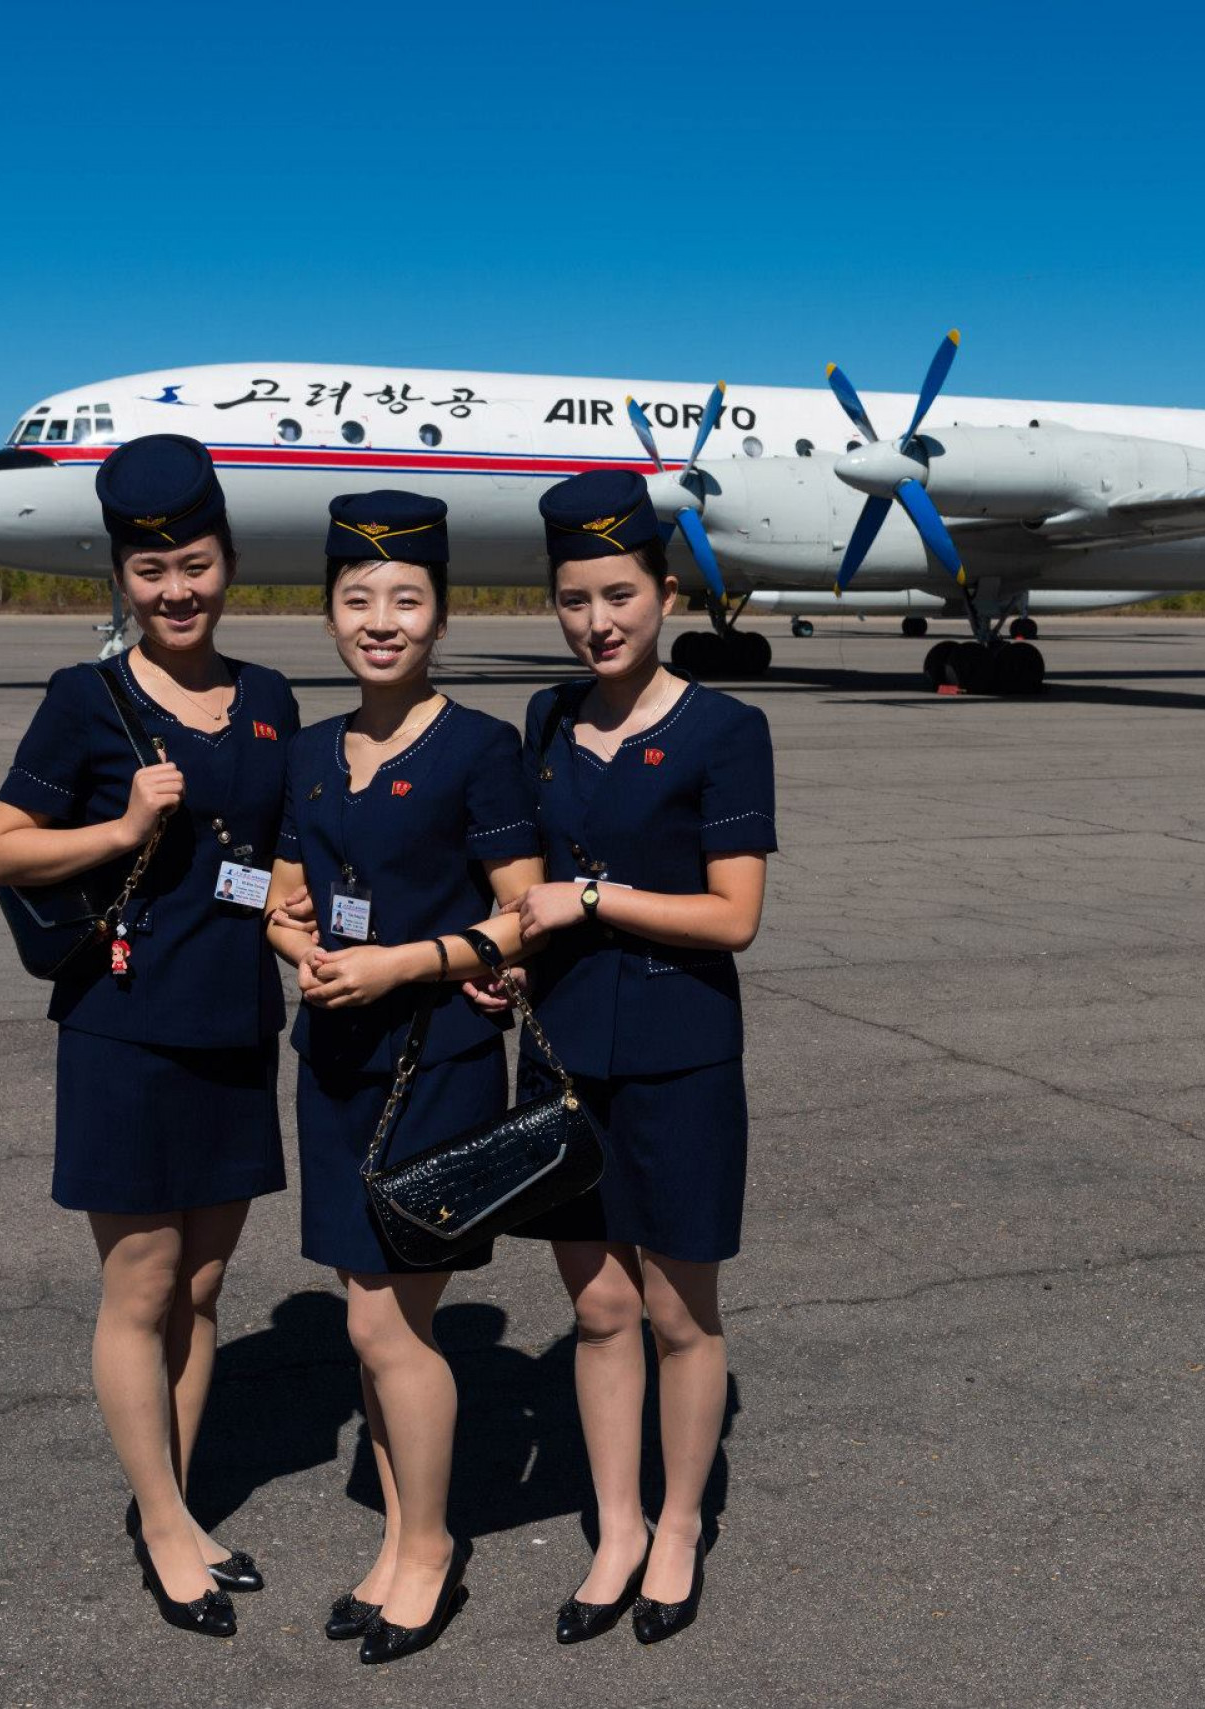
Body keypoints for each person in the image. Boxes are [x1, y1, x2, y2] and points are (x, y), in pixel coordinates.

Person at [0, 433, 299, 1639]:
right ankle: (160, 1519)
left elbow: (262, 870)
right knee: (141, 1280)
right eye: (151, 569)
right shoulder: (85, 698)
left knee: (207, 1287)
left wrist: (316, 937)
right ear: (122, 576)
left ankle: (182, 1495)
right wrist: (115, 829)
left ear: (228, 563)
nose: (177, 590)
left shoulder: (267, 700)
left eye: (196, 564)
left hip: (234, 1021)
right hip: (123, 1023)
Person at [263, 490, 546, 1665]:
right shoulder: (311, 751)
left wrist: (404, 965)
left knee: (386, 1321)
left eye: (406, 601)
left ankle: (426, 1547)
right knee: (364, 1315)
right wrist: (308, 953)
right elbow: (280, 899)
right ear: (329, 614)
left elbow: (521, 915)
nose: (381, 620)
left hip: (431, 1063)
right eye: (358, 600)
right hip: (334, 1059)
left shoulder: (480, 748)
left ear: (440, 615)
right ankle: (395, 1538)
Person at [508, 468, 776, 1646]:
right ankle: (613, 1524)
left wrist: (596, 897)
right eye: (574, 599)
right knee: (598, 1303)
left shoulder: (725, 728)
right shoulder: (544, 720)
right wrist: (505, 949)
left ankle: (677, 1525)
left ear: (664, 591)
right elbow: (525, 886)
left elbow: (733, 917)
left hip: (678, 1054)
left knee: (677, 1307)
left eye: (618, 593)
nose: (597, 620)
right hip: (565, 1048)